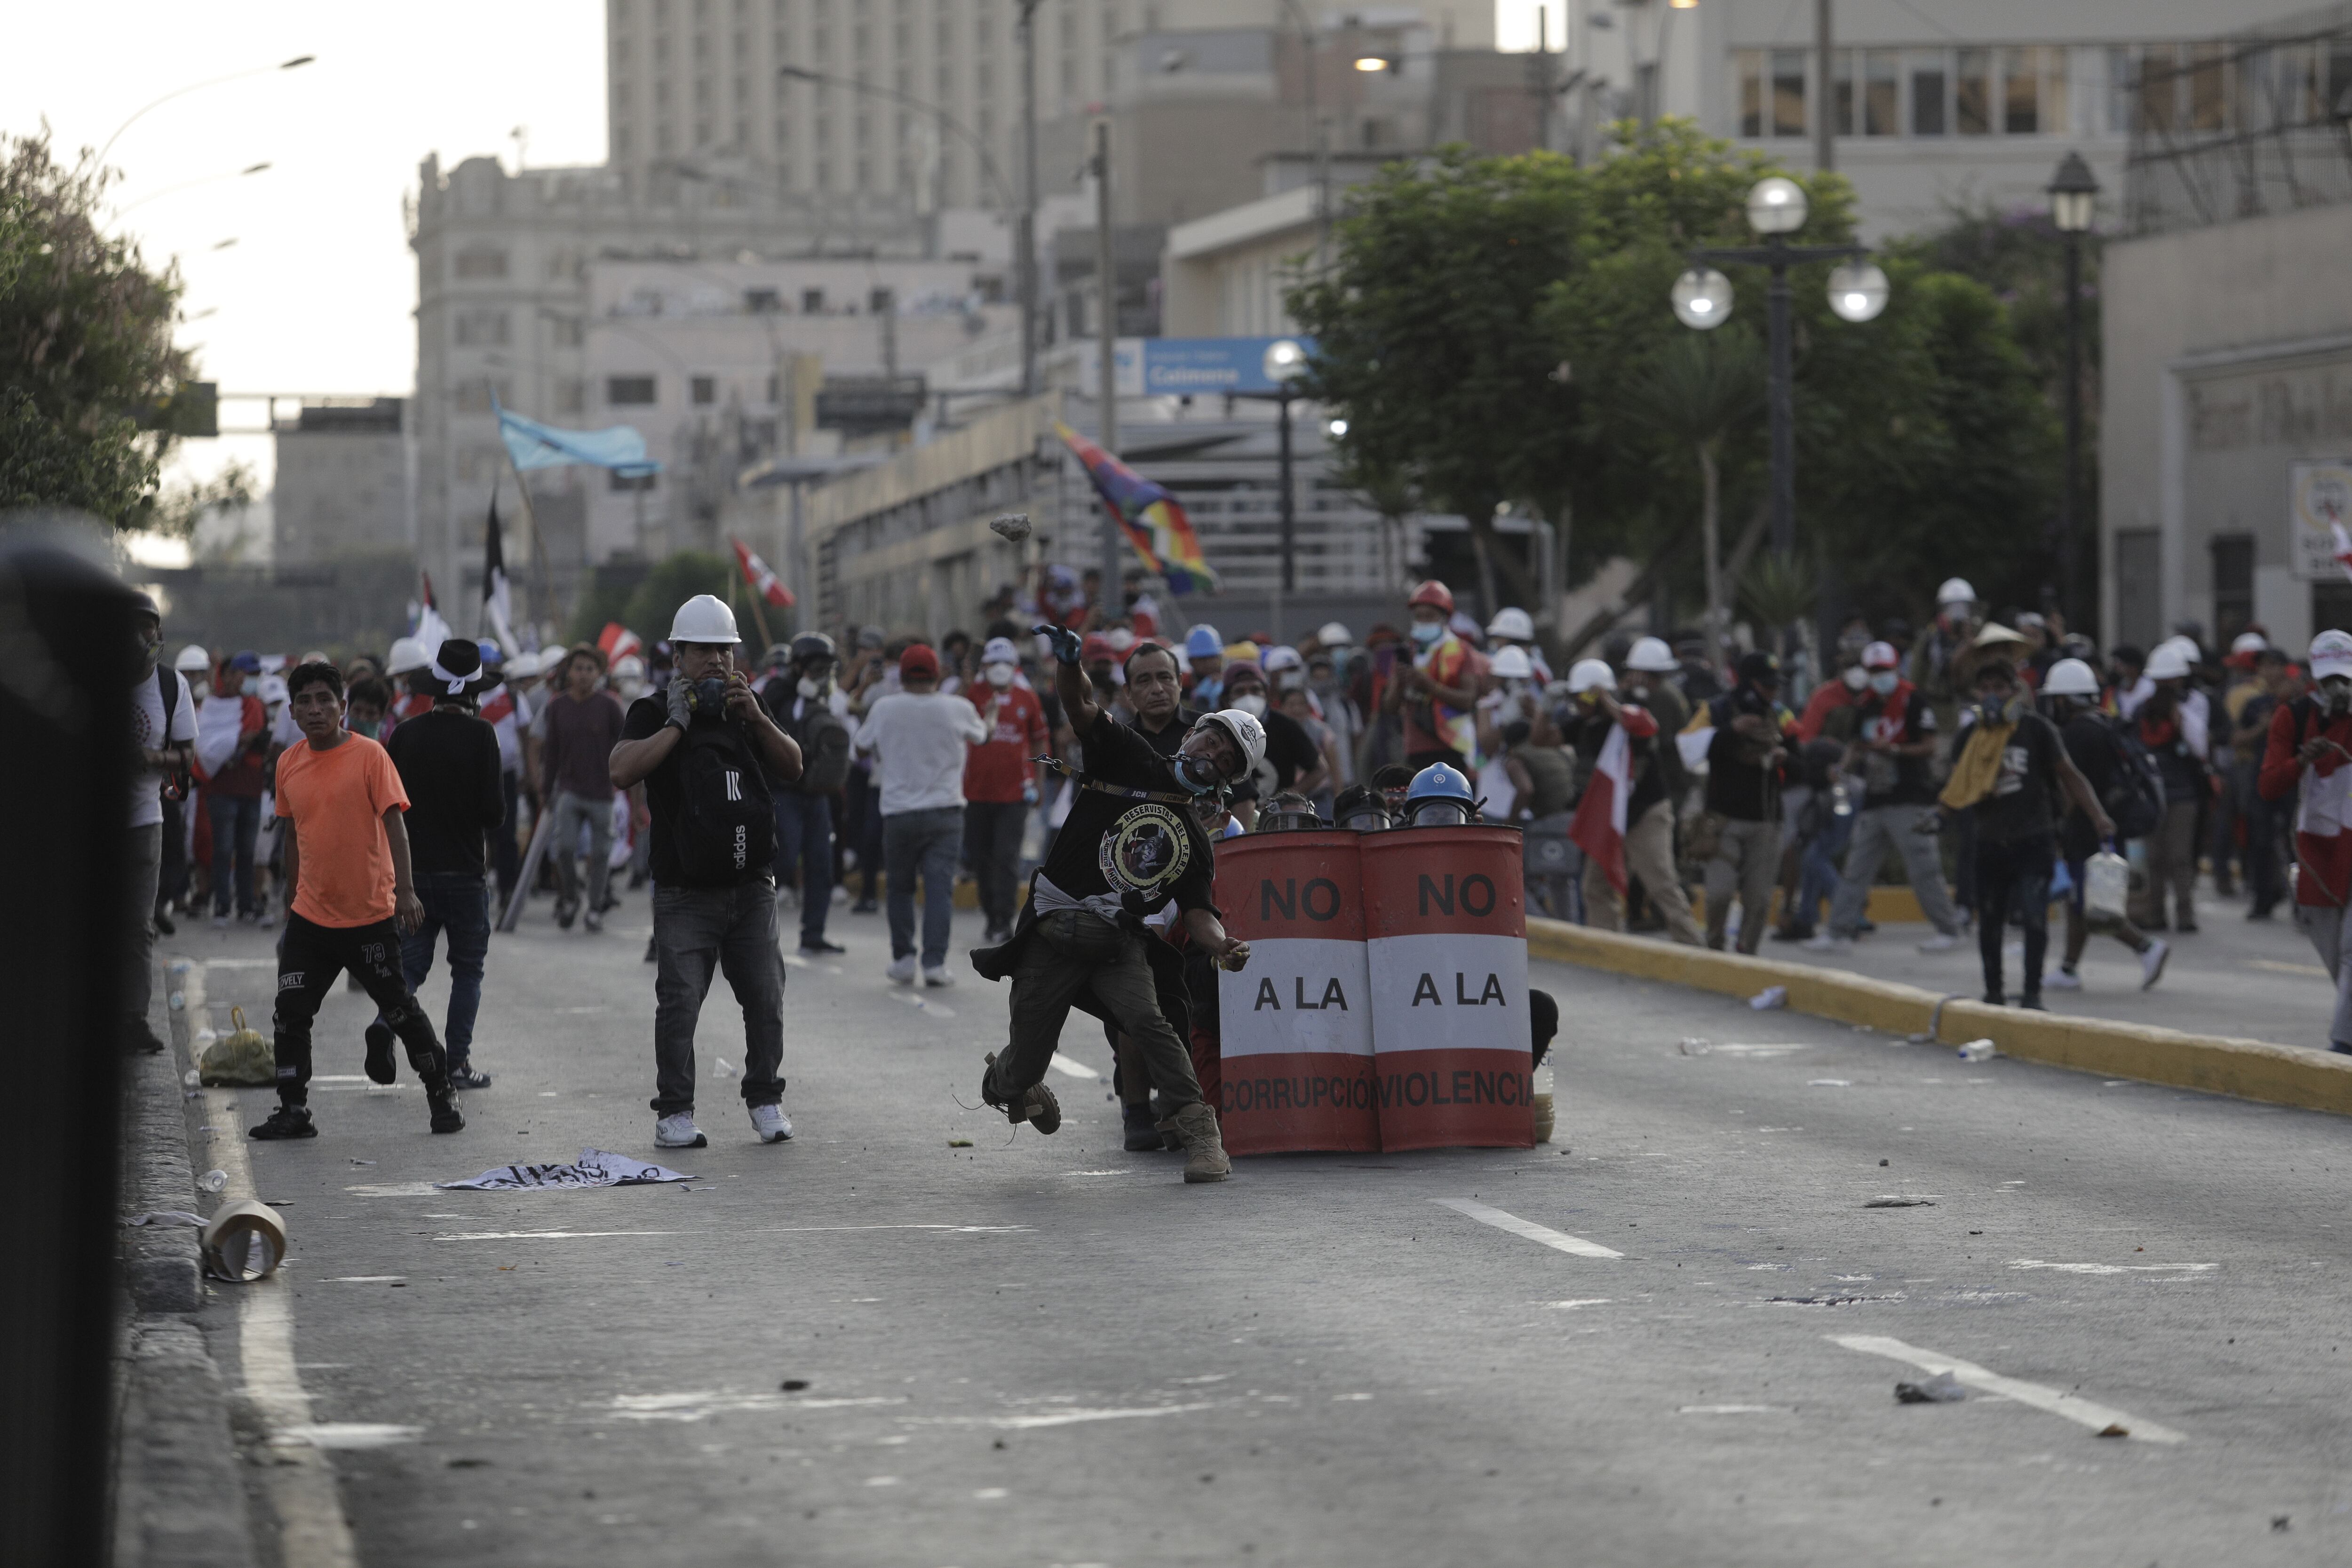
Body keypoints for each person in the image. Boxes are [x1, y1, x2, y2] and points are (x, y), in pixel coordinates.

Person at [971, 621, 1261, 1183]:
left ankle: (1203, 1138)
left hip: (1116, 943)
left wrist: (1222, 946)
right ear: (1193, 733)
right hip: (1054, 931)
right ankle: (1006, 1081)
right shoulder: (1126, 753)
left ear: (1229, 779)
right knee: (1025, 1062)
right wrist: (1068, 663)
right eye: (1211, 741)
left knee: (1151, 1023)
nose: (1212, 756)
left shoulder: (1195, 840)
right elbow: (1080, 705)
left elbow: (1199, 914)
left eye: (1226, 760)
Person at [609, 594, 805, 1147]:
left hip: (751, 888)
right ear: (678, 655)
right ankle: (674, 1112)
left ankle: (765, 1099)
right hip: (684, 892)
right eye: (703, 651)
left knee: (766, 999)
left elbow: (793, 766)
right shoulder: (652, 710)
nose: (716, 661)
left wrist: (757, 718)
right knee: (679, 1004)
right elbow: (621, 770)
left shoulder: (748, 707)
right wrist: (677, 724)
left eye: (725, 650)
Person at [247, 661, 466, 1141]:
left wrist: (404, 891)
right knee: (290, 1012)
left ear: (343, 708)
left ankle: (440, 1091)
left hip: (368, 916)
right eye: (304, 701)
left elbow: (395, 825)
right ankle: (293, 1108)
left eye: (325, 699)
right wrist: (290, 904)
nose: (315, 709)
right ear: (292, 712)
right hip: (309, 918)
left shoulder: (371, 756)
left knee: (399, 1011)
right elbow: (291, 835)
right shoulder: (289, 762)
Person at [1934, 656, 2113, 1008]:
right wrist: (1940, 814)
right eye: (1984, 688)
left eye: (1999, 688)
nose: (1991, 695)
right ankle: (1994, 992)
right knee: (1990, 923)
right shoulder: (1971, 736)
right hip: (1989, 840)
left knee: (2035, 919)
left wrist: (2098, 816)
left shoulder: (2037, 729)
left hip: (2033, 838)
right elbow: (1956, 784)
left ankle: (2032, 994)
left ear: (2015, 691)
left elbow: (2069, 775)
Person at [376, 639, 506, 1090]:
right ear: (474, 694)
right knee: (467, 970)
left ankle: (384, 1022)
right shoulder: (482, 735)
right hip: (466, 876)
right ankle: (456, 1064)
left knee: (410, 967)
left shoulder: (405, 734)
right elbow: (495, 814)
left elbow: (387, 806)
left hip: (414, 876)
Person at [1809, 641, 1966, 953]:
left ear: (1896, 668)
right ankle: (1838, 932)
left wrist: (1893, 750)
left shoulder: (1913, 700)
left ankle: (1949, 930)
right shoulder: (1866, 705)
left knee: (1924, 867)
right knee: (1857, 868)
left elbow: (1930, 746)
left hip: (1910, 797)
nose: (1881, 676)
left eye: (1885, 670)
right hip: (1876, 797)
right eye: (1875, 671)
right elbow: (1856, 744)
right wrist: (1842, 767)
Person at [852, 643, 987, 985]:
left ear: (903, 674)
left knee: (900, 888)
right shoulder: (958, 707)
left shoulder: (885, 707)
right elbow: (982, 736)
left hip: (899, 813)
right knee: (940, 889)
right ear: (937, 673)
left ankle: (903, 959)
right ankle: (934, 964)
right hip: (945, 813)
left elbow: (861, 745)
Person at [2040, 657, 2169, 993]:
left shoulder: (2075, 734)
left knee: (2092, 905)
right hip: (2110, 825)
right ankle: (2068, 969)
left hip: (2088, 828)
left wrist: (2060, 826)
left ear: (2065, 699)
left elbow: (2072, 787)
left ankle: (2146, 947)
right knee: (2078, 900)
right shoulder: (2103, 724)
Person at [2259, 631, 2352, 1050]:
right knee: (2337, 958)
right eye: (2331, 678)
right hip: (2320, 852)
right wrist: (2303, 758)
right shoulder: (2292, 717)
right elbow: (2269, 785)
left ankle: (2343, 1045)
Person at [126, 594, 195, 1053]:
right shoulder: (95, 677)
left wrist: (152, 757)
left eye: (147, 626)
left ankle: (133, 1020)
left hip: (144, 821)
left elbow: (188, 757)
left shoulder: (172, 687)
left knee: (137, 925)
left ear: (158, 634)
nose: (139, 635)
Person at [764, 633, 853, 955]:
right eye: (816, 667)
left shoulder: (826, 697)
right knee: (783, 859)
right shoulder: (776, 693)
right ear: (798, 666)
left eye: (827, 668)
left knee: (821, 863)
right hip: (784, 790)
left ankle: (814, 932)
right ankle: (749, 930)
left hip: (816, 791)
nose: (821, 675)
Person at [1702, 653, 1796, 954]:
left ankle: (1746, 954)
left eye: (1775, 686)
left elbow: (1801, 760)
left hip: (1766, 821)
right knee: (1719, 893)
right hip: (1723, 821)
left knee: (1759, 900)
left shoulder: (1781, 714)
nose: (1772, 692)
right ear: (1747, 683)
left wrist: (1785, 758)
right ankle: (1715, 948)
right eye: (1765, 686)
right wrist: (1733, 729)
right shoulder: (1716, 709)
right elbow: (1693, 750)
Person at [964, 636, 1049, 946]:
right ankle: (991, 914)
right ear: (984, 666)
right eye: (993, 664)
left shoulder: (1028, 699)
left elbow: (1040, 739)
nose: (999, 669)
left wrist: (1039, 781)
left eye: (1006, 664)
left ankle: (1003, 918)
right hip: (975, 792)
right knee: (982, 858)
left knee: (1007, 856)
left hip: (1014, 794)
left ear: (1015, 667)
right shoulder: (972, 695)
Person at [539, 643, 628, 932]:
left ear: (599, 673)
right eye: (579, 669)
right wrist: (545, 790)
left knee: (601, 855)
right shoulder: (558, 706)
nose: (584, 675)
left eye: (590, 669)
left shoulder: (610, 706)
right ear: (569, 672)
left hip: (603, 792)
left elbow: (628, 745)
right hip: (569, 791)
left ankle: (594, 908)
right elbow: (550, 751)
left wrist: (629, 787)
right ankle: (571, 899)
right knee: (563, 849)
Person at [2127, 640, 2209, 933]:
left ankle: (2185, 915)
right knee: (2155, 858)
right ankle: (2155, 914)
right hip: (2152, 793)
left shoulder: (2193, 705)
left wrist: (2180, 717)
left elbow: (2200, 748)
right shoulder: (2142, 712)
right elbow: (2132, 749)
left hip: (2184, 794)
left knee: (2180, 857)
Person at [196, 650, 271, 927]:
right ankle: (222, 907)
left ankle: (246, 905)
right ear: (230, 675)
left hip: (250, 788)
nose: (250, 680)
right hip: (222, 789)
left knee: (247, 851)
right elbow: (205, 746)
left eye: (254, 675)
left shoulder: (255, 706)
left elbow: (259, 741)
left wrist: (240, 742)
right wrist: (238, 741)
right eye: (246, 674)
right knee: (224, 849)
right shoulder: (212, 707)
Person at [1385, 580, 1484, 774]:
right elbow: (1389, 707)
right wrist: (1400, 683)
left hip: (1454, 746)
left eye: (1429, 617)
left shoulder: (1461, 651)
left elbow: (1468, 700)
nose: (1423, 622)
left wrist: (1429, 686)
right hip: (1416, 748)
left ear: (1445, 617)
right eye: (1419, 617)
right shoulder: (1408, 653)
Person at [1181, 623, 1225, 710]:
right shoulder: (1183, 685)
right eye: (1202, 659)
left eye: (1212, 657)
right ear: (1191, 661)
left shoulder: (1230, 682)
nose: (1208, 663)